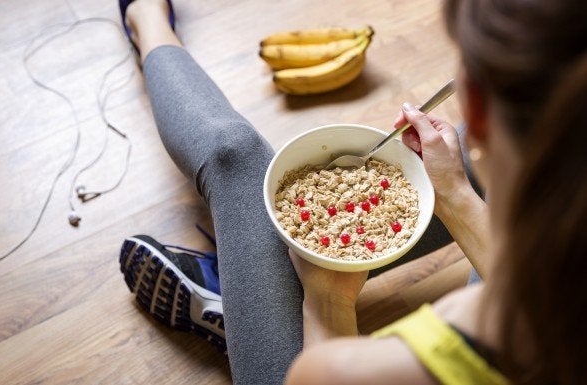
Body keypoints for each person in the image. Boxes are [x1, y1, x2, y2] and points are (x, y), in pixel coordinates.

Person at [117, 0, 587, 384]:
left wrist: (327, 301)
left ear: (477, 107)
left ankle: (148, 18)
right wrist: (456, 196)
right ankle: (247, 299)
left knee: (233, 156)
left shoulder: (356, 372)